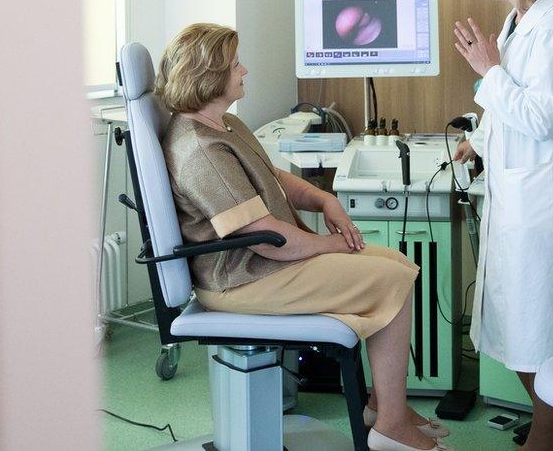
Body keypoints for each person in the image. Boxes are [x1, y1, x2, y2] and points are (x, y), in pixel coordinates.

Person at [156, 23, 452, 451]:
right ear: (209, 75)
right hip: (244, 278)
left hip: (265, 264)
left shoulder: (226, 125)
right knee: (394, 279)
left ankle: (385, 407)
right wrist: (336, 244)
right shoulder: (202, 151)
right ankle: (390, 425)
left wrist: (325, 199)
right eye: (235, 63)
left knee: (398, 264)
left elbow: (272, 177)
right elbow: (267, 238)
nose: (245, 70)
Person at [452, 0, 553, 451]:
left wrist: (488, 71)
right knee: (516, 322)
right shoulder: (518, 20)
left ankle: (549, 431)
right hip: (518, 195)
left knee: (541, 328)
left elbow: (543, 118)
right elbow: (511, 109)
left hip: (544, 204)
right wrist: (479, 141)